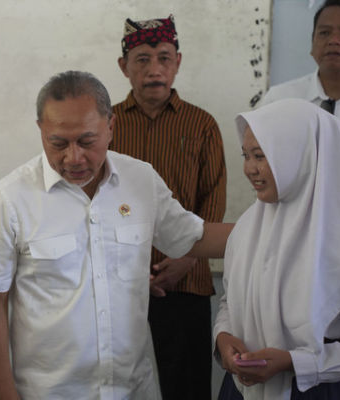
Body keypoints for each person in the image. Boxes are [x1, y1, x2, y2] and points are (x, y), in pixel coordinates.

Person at [0, 70, 233, 400]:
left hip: (133, 388)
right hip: (50, 393)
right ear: (41, 130)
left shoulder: (140, 180)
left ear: (110, 127)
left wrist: (274, 231)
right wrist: (5, 393)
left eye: (87, 141)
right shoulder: (8, 199)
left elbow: (195, 237)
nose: (73, 157)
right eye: (58, 143)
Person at [213, 98, 340, 399]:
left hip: (318, 389)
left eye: (260, 156)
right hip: (243, 387)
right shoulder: (249, 227)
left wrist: (295, 362)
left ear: (300, 157)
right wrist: (222, 338)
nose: (250, 169)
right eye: (246, 155)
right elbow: (230, 300)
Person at [110, 14, 227, 399]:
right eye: (142, 59)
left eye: (163, 57)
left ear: (178, 62)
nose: (154, 69)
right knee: (117, 385)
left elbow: (213, 200)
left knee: (187, 388)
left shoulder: (202, 124)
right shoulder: (104, 125)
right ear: (124, 66)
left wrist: (186, 261)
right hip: (116, 282)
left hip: (186, 283)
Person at [261, 0, 340, 225]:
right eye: (324, 32)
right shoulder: (280, 100)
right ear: (313, 42)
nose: (334, 40)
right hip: (292, 238)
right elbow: (262, 173)